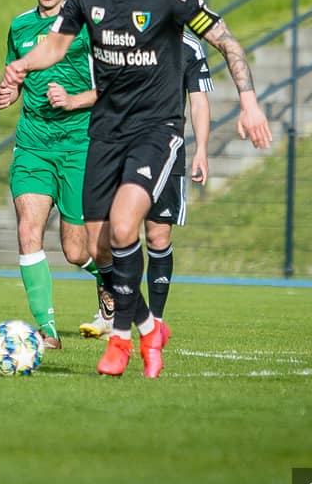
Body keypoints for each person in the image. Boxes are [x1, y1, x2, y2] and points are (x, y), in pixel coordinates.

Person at [2, 0, 271, 379]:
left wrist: (248, 103)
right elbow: (56, 45)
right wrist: (23, 66)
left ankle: (121, 338)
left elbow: (226, 41)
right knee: (97, 247)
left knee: (127, 223)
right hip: (104, 131)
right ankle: (148, 327)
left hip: (155, 129)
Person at [0, 0, 113, 349]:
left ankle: (110, 281)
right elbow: (16, 78)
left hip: (80, 144)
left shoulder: (87, 27)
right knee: (28, 229)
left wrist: (73, 100)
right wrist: (8, 92)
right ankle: (47, 330)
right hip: (33, 144)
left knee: (76, 250)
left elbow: (112, 88)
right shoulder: (20, 27)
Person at [79, 32, 212, 341]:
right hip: (119, 148)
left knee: (158, 235)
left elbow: (198, 101)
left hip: (164, 148)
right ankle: (118, 314)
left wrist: (202, 150)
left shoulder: (189, 47)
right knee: (107, 239)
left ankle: (155, 322)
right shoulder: (126, 38)